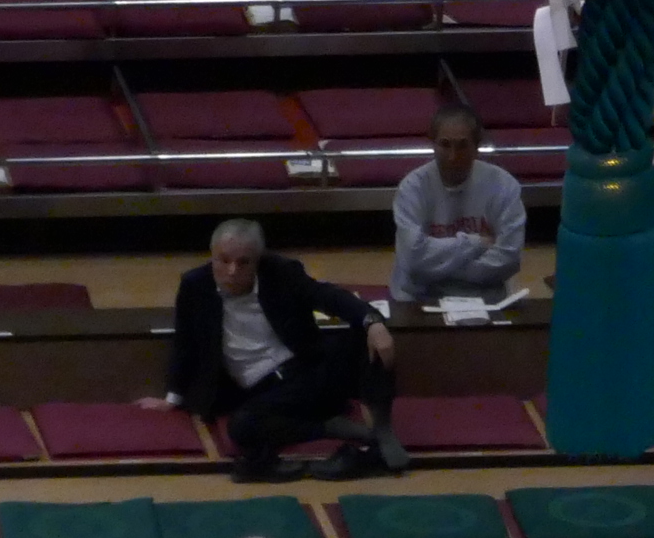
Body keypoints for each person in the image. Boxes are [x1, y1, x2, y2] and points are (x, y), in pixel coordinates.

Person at [142, 219, 405, 483]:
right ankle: (327, 427)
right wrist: (172, 397)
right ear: (212, 257)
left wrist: (373, 321)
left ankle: (382, 431)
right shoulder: (194, 285)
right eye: (224, 261)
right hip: (258, 392)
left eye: (243, 263)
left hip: (306, 373)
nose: (232, 271)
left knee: (371, 335)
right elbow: (184, 341)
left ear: (257, 261)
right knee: (241, 426)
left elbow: (328, 296)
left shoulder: (282, 272)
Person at [390, 105, 526, 308]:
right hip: (419, 298)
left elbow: (509, 258)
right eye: (445, 145)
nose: (453, 156)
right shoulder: (412, 187)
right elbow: (412, 258)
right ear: (433, 144)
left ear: (477, 146)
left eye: (462, 146)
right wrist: (476, 243)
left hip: (486, 298)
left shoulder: (504, 185)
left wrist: (436, 266)